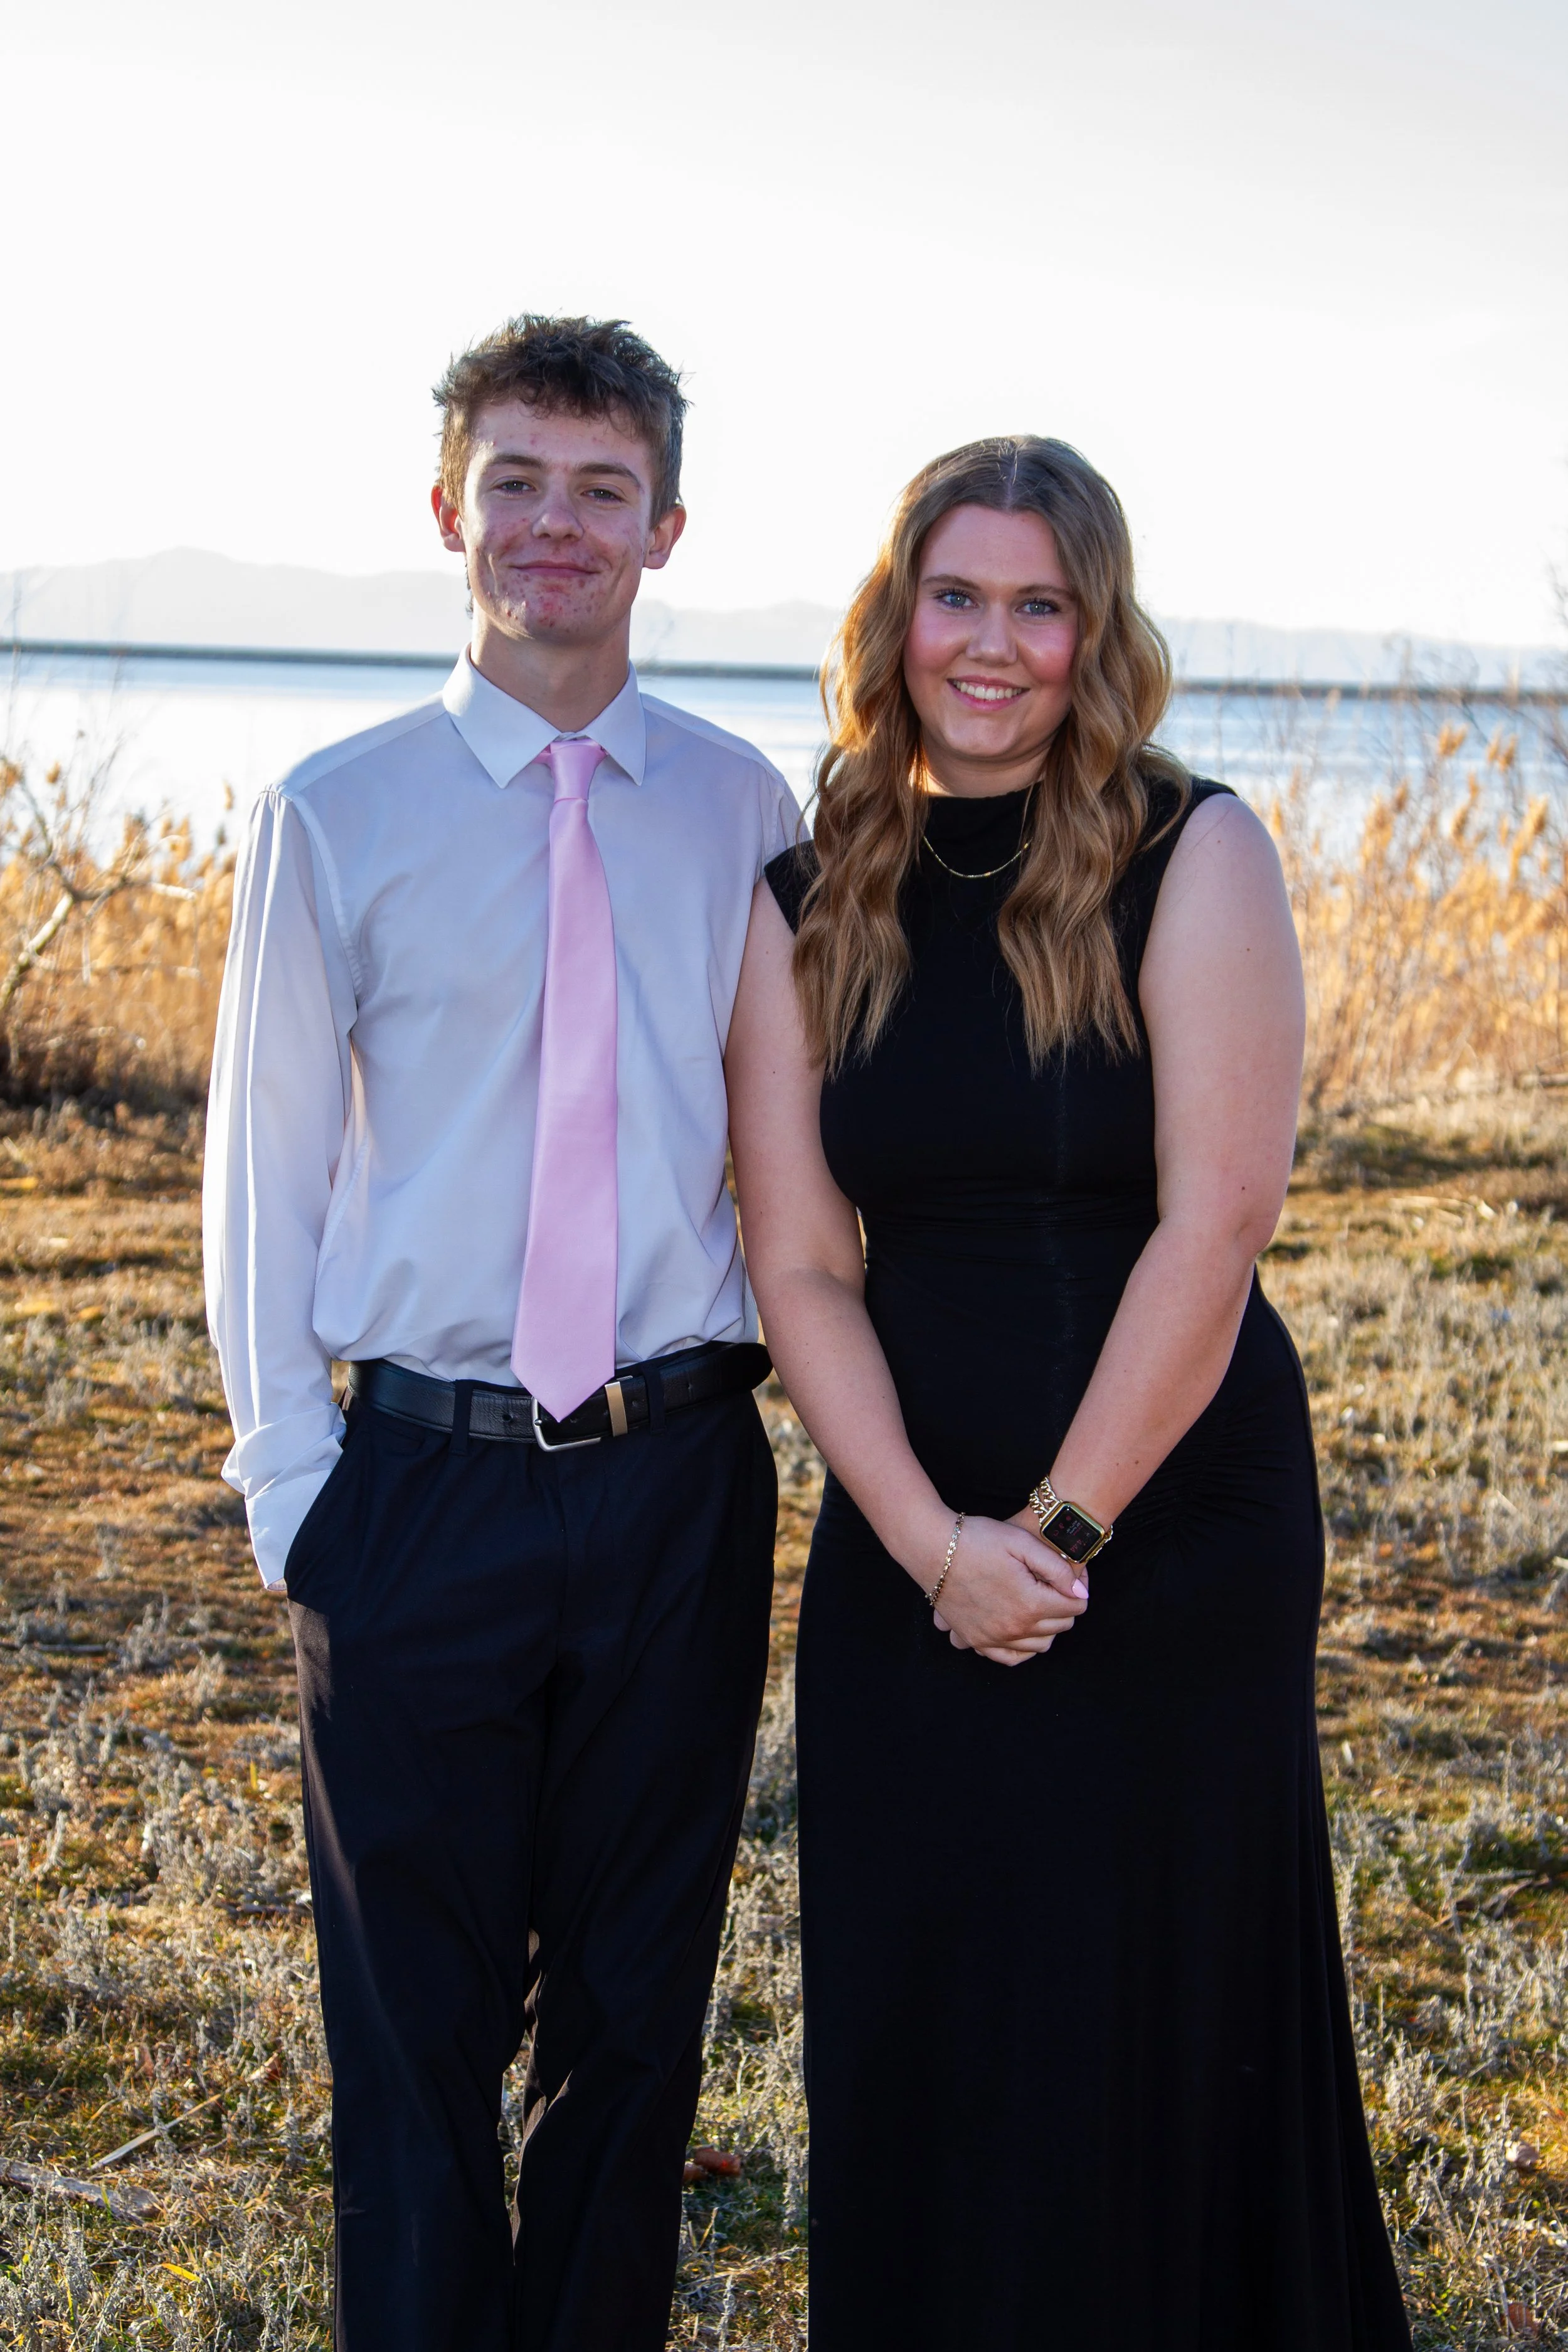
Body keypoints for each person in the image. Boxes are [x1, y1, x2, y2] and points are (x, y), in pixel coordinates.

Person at [725, 436, 1412, 2349]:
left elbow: (1219, 1224)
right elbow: (796, 1261)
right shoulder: (805, 891)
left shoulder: (1195, 852)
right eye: (960, 595)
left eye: (1042, 605)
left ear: (1095, 632)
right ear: (896, 615)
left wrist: (1051, 1534)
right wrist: (932, 1541)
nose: (997, 643)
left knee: (1148, 1995)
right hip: (902, 1519)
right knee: (922, 1982)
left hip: (1165, 1519)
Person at [203, 315, 796, 2352]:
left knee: (637, 2021)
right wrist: (295, 1484)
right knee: (416, 2034)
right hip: (420, 1490)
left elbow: (794, 1145)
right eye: (518, 480)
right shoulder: (334, 811)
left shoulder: (741, 809)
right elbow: (262, 1165)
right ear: (450, 509)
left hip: (677, 1478)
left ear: (666, 527)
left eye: (601, 487)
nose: (557, 523)